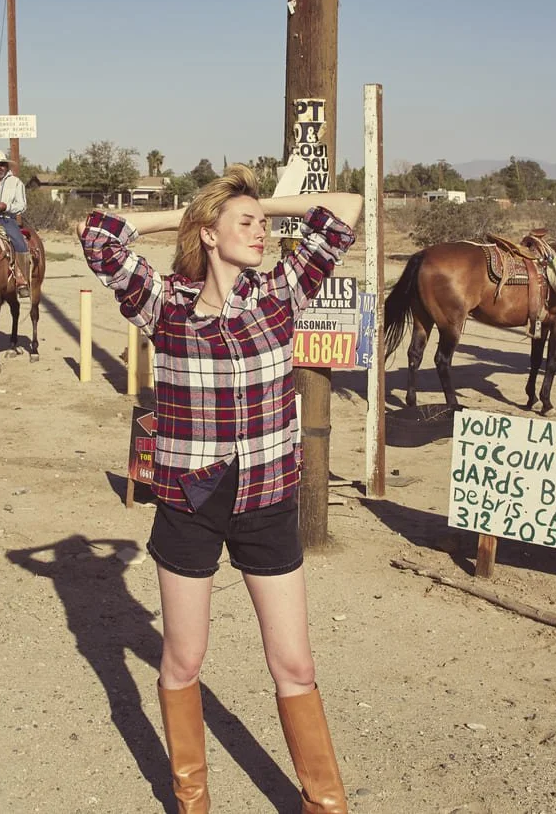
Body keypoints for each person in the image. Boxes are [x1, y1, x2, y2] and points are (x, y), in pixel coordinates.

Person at [79, 164, 363, 814]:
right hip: (191, 506)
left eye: (266, 223)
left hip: (267, 500)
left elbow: (344, 206)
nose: (262, 231)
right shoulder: (164, 304)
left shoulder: (280, 294)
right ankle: (192, 803)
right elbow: (97, 235)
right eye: (247, 222)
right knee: (183, 661)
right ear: (209, 234)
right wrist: (192, 212)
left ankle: (326, 807)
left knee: (295, 666)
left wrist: (261, 202)